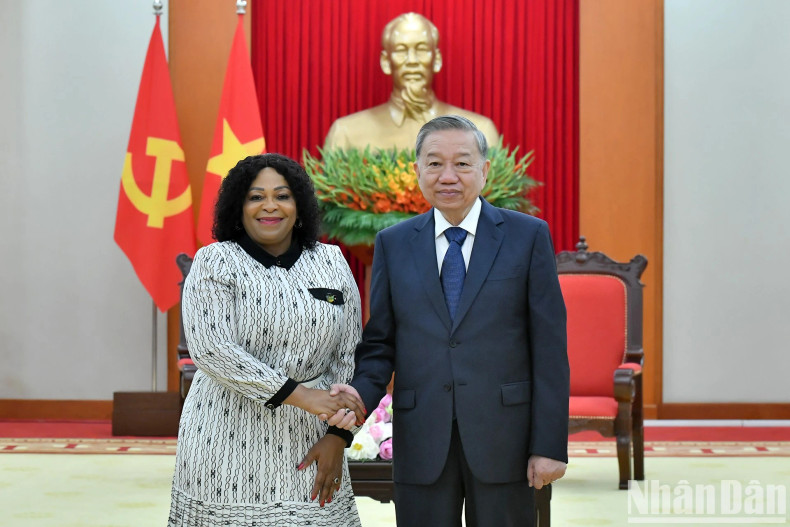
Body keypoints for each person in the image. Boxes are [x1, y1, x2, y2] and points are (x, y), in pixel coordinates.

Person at [313, 115, 570, 526]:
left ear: (485, 170)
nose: (447, 176)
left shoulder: (527, 236)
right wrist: (359, 395)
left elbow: (550, 349)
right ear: (417, 171)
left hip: (505, 438)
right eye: (434, 163)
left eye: (462, 163)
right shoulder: (394, 245)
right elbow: (380, 343)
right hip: (422, 438)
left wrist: (550, 444)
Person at [168, 153, 366, 527]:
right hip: (224, 432)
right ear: (238, 208)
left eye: (283, 195)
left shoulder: (331, 260)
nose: (270, 206)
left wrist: (338, 435)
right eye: (256, 197)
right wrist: (304, 396)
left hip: (312, 436)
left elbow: (348, 353)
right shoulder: (215, 261)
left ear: (299, 206)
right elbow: (213, 350)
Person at [324, 12, 499, 152]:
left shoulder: (479, 131)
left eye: (422, 49)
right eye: (401, 50)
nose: (412, 60)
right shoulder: (346, 134)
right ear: (386, 62)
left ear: (436, 59)